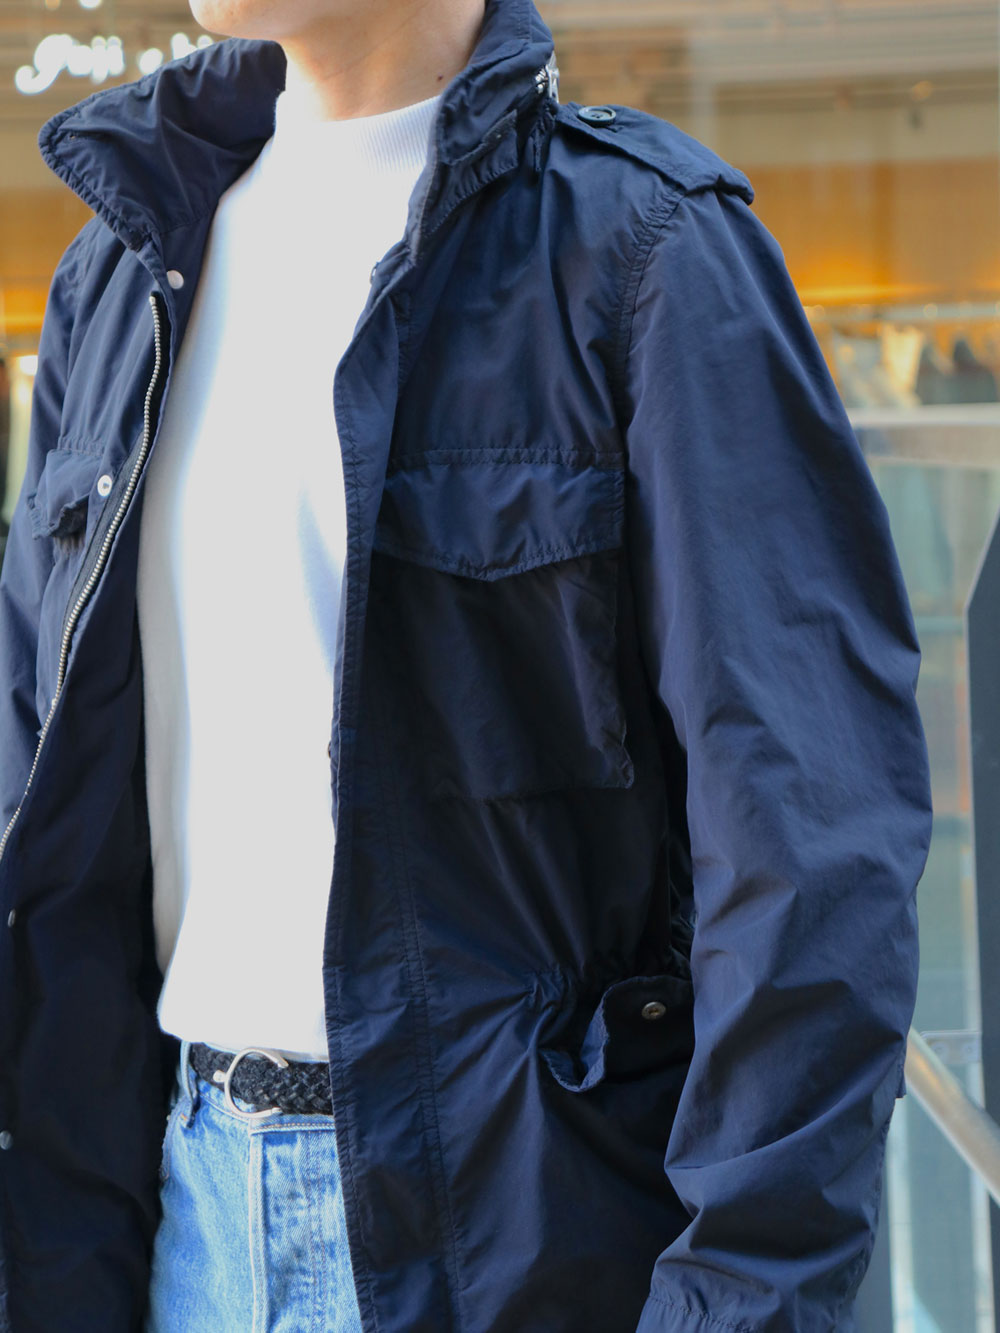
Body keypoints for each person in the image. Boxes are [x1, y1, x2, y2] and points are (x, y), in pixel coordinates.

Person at [0, 0, 933, 1328]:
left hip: (521, 1242)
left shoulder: (647, 247)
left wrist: (739, 1297)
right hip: (176, 1217)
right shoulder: (120, 275)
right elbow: (36, 781)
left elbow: (809, 843)